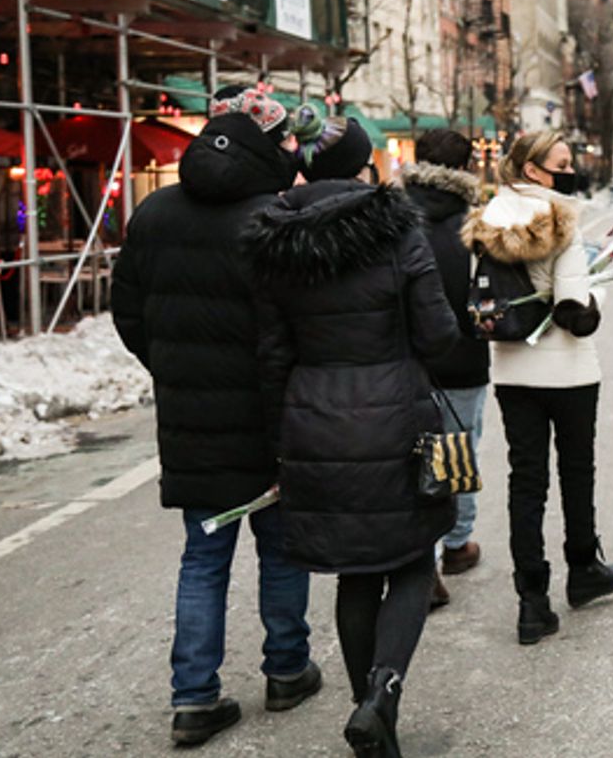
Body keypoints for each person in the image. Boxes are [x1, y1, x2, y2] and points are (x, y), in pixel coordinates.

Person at [245, 117, 460, 758]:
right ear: (365, 165)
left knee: (355, 574)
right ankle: (381, 697)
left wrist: (276, 441)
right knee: (415, 559)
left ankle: (369, 717)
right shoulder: (398, 232)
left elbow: (271, 357)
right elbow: (439, 334)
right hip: (395, 416)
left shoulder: (275, 241)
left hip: (315, 419)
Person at [111, 103, 321, 747]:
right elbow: (298, 326)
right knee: (282, 547)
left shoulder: (153, 215)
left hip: (191, 424)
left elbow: (128, 314)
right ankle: (287, 669)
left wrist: (173, 368)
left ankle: (195, 697)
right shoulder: (273, 220)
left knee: (203, 557)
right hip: (269, 420)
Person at [463, 131, 613, 645]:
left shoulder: (490, 218)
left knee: (525, 480)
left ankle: (531, 602)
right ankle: (584, 570)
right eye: (562, 163)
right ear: (533, 170)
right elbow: (573, 314)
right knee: (576, 471)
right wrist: (599, 289)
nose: (569, 170)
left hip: (512, 371)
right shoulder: (559, 219)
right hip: (570, 373)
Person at [398, 130, 490, 603]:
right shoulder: (477, 223)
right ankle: (455, 544)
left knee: (409, 455)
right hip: (462, 355)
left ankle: (423, 555)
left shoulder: (388, 216)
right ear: (467, 166)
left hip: (402, 358)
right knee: (459, 450)